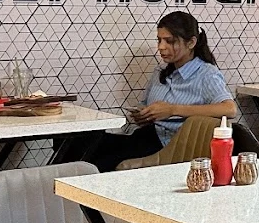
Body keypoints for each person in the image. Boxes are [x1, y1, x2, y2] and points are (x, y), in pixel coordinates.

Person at [84, 11, 237, 171]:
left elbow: (229, 109)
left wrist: (172, 110)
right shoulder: (161, 71)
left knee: (100, 161)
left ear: (191, 43)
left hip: (170, 145)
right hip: (146, 134)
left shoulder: (206, 74)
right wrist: (144, 114)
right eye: (159, 40)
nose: (161, 47)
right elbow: (145, 104)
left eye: (170, 41)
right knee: (88, 143)